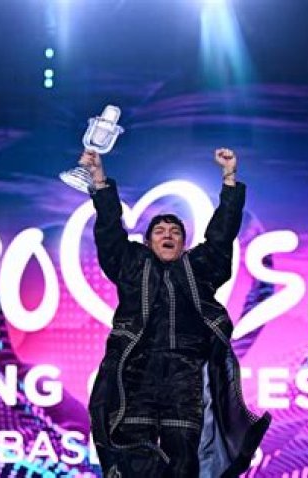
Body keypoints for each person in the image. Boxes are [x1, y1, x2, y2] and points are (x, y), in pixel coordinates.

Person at [82, 148, 271, 478]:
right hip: (136, 375)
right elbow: (110, 232)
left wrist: (229, 179)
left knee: (183, 462)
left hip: (185, 379)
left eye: (175, 232)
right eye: (159, 231)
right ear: (147, 242)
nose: (167, 235)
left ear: (184, 243)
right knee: (133, 462)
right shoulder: (131, 264)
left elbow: (221, 235)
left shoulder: (199, 267)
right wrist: (99, 180)